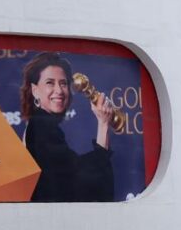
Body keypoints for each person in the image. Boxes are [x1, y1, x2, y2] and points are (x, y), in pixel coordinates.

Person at [20, 52, 114, 202]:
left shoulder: (39, 124)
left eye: (63, 83)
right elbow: (78, 181)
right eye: (50, 83)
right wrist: (103, 124)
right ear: (35, 90)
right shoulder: (41, 126)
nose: (59, 90)